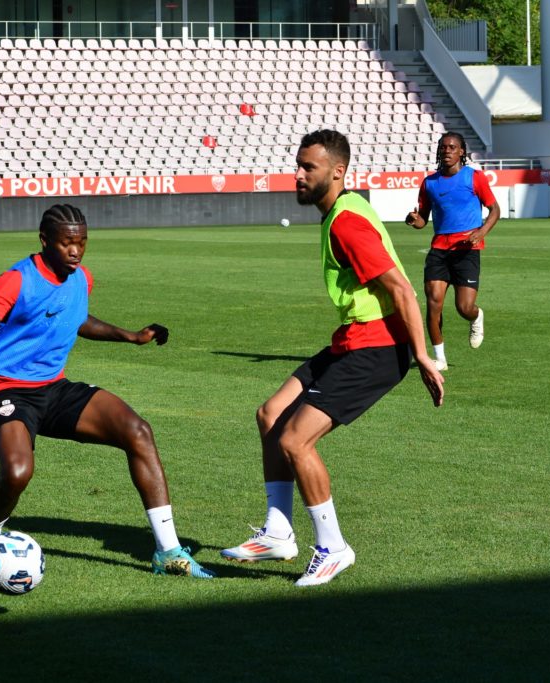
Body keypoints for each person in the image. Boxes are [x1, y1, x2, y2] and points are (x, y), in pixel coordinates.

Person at [221, 130, 444, 587]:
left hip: (378, 347)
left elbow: (401, 289)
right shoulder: (344, 209)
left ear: (337, 171)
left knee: (295, 441)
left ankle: (333, 548)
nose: (298, 175)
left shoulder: (346, 223)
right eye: (298, 166)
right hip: (353, 339)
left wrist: (423, 355)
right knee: (271, 414)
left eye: (309, 168)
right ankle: (279, 533)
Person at [0, 204, 213, 580]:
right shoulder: (17, 280)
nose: (75, 250)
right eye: (67, 243)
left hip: (54, 387)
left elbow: (76, 319)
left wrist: (131, 336)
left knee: (138, 431)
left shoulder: (81, 278)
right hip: (7, 389)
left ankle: (168, 551)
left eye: (82, 242)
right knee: (17, 472)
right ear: (45, 241)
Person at [406, 132, 501, 371]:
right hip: (439, 250)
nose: (447, 150)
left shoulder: (474, 178)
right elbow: (422, 220)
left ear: (461, 151)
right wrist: (414, 220)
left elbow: (495, 210)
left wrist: (481, 232)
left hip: (466, 249)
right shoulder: (429, 183)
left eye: (452, 147)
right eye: (443, 147)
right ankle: (440, 359)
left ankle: (476, 316)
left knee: (464, 307)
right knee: (433, 303)